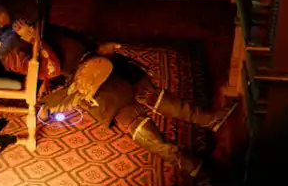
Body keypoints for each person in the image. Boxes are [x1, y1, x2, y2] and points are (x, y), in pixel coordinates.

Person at [39, 53, 237, 176]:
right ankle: (188, 162)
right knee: (139, 124)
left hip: (111, 74)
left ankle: (208, 120)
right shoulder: (58, 82)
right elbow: (49, 102)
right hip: (102, 97)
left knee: (152, 97)